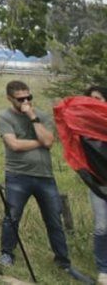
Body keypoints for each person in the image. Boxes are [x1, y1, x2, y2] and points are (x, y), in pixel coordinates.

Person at [0, 80, 91, 282]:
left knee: (54, 219)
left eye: (29, 97)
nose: (26, 101)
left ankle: (63, 261)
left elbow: (48, 141)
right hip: (17, 175)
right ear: (10, 98)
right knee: (12, 216)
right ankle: (7, 254)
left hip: (45, 176)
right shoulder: (4, 116)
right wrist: (40, 142)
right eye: (21, 99)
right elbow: (14, 145)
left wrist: (32, 117)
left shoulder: (42, 116)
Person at [85, 86, 107, 284]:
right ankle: (103, 269)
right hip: (98, 185)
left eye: (97, 98)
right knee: (101, 227)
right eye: (90, 98)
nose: (93, 101)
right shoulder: (84, 127)